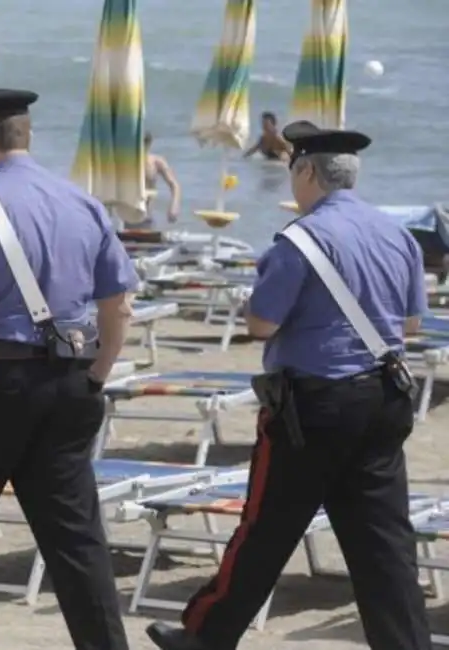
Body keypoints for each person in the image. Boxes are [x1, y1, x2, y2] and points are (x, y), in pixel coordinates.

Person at [146, 122, 431, 650]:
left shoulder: (300, 239)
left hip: (316, 402)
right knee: (384, 540)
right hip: (385, 395)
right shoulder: (396, 234)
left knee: (266, 526)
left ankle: (207, 636)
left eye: (291, 172)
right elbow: (411, 325)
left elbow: (261, 325)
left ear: (305, 171)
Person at [0, 85, 140, 650]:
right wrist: (99, 372)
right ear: (27, 135)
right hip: (71, 378)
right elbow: (121, 305)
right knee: (77, 540)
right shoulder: (82, 203)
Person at [145, 132, 181, 223]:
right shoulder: (125, 163)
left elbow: (174, 185)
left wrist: (174, 206)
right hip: (125, 218)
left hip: (147, 216)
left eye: (145, 143)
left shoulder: (156, 162)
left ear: (149, 143)